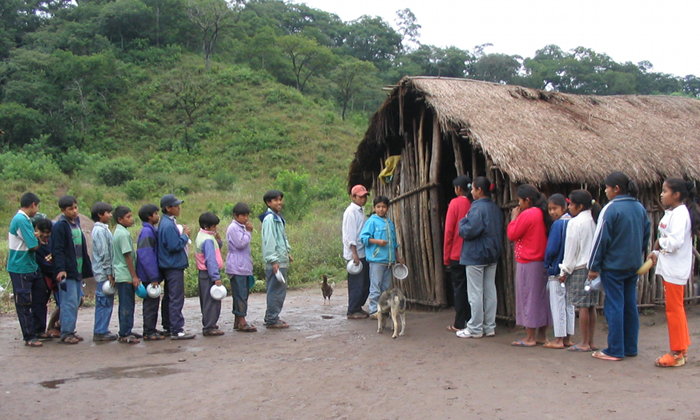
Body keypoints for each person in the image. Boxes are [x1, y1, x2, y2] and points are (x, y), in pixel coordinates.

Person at [589, 172, 650, 361]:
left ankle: (615, 349)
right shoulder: (639, 208)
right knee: (629, 305)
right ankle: (630, 347)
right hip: (633, 264)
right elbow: (645, 237)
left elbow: (600, 240)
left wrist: (593, 266)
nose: (605, 191)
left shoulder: (611, 209)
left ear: (616, 189)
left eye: (607, 187)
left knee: (614, 305)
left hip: (613, 266)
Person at [648, 178, 698, 367]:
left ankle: (677, 353)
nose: (661, 194)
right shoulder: (674, 212)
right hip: (670, 267)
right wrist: (655, 251)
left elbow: (674, 242)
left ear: (676, 195)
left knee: (674, 310)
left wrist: (660, 244)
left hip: (675, 270)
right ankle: (681, 347)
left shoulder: (680, 214)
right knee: (676, 309)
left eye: (665, 191)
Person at [456, 177, 503, 339]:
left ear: (479, 190)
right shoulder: (495, 208)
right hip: (492, 254)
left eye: (473, 189)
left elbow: (469, 230)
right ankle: (489, 326)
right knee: (490, 291)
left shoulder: (476, 209)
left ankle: (475, 328)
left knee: (475, 293)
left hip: (476, 255)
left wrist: (462, 222)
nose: (471, 192)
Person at [507, 184, 550, 347]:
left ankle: (530, 337)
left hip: (528, 261)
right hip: (541, 261)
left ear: (527, 200)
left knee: (528, 297)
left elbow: (512, 234)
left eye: (520, 200)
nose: (519, 204)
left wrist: (514, 218)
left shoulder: (529, 214)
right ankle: (541, 335)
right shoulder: (542, 213)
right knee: (541, 298)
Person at [560, 190, 601, 353]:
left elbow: (571, 251)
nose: (569, 207)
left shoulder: (575, 223)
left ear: (579, 206)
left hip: (579, 267)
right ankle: (590, 341)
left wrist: (565, 271)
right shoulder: (596, 220)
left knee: (583, 306)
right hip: (594, 267)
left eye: (570, 204)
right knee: (591, 306)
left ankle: (584, 342)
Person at [52, 195, 93, 344]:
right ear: (63, 210)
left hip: (77, 270)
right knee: (68, 302)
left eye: (76, 208)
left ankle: (70, 329)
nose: (74, 211)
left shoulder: (76, 223)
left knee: (75, 301)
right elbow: (58, 250)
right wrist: (61, 269)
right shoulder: (60, 226)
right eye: (70, 209)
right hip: (67, 271)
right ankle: (66, 333)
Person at [7, 192, 47, 347]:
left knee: (39, 297)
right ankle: (29, 336)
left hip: (30, 265)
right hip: (21, 267)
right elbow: (33, 245)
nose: (36, 210)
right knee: (24, 302)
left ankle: (37, 330)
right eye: (36, 207)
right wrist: (37, 238)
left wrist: (35, 236)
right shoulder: (21, 220)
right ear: (32, 205)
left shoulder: (24, 220)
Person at [158, 194, 195, 340]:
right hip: (173, 265)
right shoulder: (167, 225)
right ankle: (177, 329)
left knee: (169, 297)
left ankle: (168, 326)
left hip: (168, 264)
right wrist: (185, 236)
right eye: (176, 206)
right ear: (168, 208)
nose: (179, 208)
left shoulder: (167, 222)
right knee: (176, 298)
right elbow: (174, 246)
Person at [360, 195, 401, 318]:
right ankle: (373, 310)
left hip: (388, 261)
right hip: (376, 260)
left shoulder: (389, 222)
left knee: (386, 288)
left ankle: (383, 308)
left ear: (387, 208)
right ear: (374, 208)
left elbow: (394, 242)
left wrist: (398, 257)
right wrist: (377, 241)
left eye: (383, 207)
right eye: (378, 207)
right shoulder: (372, 221)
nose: (381, 209)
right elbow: (363, 238)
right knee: (375, 286)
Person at [542, 194, 573, 349]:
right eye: (550, 209)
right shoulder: (572, 222)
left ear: (563, 207)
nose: (552, 212)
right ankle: (568, 338)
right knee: (569, 304)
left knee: (557, 303)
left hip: (557, 269)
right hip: (570, 269)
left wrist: (547, 264)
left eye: (555, 208)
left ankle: (559, 339)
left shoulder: (558, 225)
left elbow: (552, 249)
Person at [259, 190, 292, 329]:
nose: (279, 203)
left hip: (280, 259)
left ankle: (272, 316)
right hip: (276, 261)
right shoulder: (270, 219)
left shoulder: (277, 217)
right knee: (275, 290)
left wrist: (287, 252)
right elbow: (270, 240)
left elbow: (282, 238)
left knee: (278, 290)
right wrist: (273, 260)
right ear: (268, 202)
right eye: (275, 200)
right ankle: (272, 318)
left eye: (280, 199)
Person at [444, 175, 472, 332]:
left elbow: (449, 230)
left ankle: (460, 322)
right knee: (473, 288)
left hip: (457, 253)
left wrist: (446, 256)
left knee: (460, 288)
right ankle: (472, 320)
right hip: (473, 254)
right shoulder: (473, 203)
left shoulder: (455, 203)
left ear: (457, 189)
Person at [136, 204, 169, 341]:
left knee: (153, 303)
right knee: (150, 304)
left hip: (150, 275)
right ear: (150, 217)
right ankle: (148, 331)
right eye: (155, 213)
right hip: (148, 276)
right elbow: (146, 255)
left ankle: (151, 329)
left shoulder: (151, 230)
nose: (158, 215)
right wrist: (153, 276)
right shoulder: (147, 233)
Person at [226, 202, 257, 332]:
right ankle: (242, 321)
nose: (245, 218)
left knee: (242, 293)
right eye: (242, 216)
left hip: (243, 265)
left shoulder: (241, 227)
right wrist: (249, 232)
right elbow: (240, 244)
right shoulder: (233, 228)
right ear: (235, 216)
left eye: (247, 215)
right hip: (237, 266)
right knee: (240, 294)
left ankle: (237, 321)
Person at [112, 206, 141, 344]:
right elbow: (127, 255)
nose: (131, 219)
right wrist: (134, 276)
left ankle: (127, 329)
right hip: (125, 274)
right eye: (128, 217)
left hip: (121, 272)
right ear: (120, 219)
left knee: (127, 303)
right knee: (126, 305)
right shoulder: (123, 234)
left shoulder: (119, 231)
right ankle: (124, 333)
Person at [342, 184, 371, 320]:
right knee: (356, 283)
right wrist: (354, 254)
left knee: (365, 283)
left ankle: (357, 307)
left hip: (362, 252)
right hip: (356, 254)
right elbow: (350, 235)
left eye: (365, 196)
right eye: (360, 197)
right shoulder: (351, 212)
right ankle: (352, 310)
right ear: (353, 197)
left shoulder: (360, 211)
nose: (363, 199)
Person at [90, 202, 117, 342]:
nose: (110, 215)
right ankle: (100, 331)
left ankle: (102, 329)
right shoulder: (100, 231)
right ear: (100, 215)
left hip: (103, 272)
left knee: (106, 301)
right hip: (103, 273)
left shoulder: (103, 229)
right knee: (104, 301)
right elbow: (104, 253)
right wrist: (109, 272)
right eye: (108, 212)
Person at [195, 212, 225, 336]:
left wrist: (218, 239)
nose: (216, 229)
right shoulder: (207, 240)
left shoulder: (201, 235)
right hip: (208, 274)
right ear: (208, 227)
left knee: (206, 300)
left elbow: (216, 247)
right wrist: (215, 277)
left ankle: (209, 323)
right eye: (214, 227)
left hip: (203, 274)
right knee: (212, 301)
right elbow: (210, 259)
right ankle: (209, 326)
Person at [33, 217, 59, 338]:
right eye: (42, 232)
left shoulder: (51, 242)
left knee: (46, 304)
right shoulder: (34, 244)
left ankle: (50, 327)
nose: (44, 235)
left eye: (47, 232)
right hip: (40, 277)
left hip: (52, 277)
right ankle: (38, 330)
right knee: (39, 303)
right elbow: (42, 263)